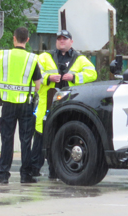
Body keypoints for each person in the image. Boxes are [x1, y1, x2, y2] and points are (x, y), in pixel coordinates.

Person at [31, 29, 97, 177]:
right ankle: (33, 171)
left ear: (71, 42)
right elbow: (34, 74)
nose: (62, 41)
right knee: (40, 141)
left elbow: (92, 74)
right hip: (46, 106)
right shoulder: (45, 57)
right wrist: (49, 78)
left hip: (69, 106)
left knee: (61, 140)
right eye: (59, 38)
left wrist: (74, 77)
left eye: (65, 38)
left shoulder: (79, 59)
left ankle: (56, 172)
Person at [0, 27, 42, 185]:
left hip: (7, 103)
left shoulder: (3, 56)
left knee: (6, 140)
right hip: (26, 105)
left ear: (14, 38)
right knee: (25, 141)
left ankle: (3, 176)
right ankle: (25, 175)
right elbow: (38, 85)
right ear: (27, 40)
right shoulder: (32, 59)